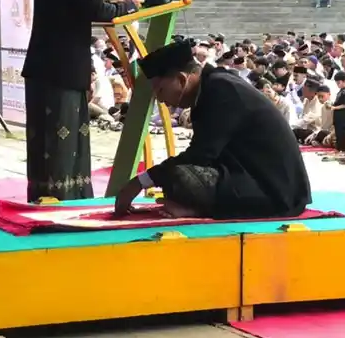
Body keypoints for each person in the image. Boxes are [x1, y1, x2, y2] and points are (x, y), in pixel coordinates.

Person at [113, 40, 311, 219]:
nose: (161, 100)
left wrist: (140, 182)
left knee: (178, 175)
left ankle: (198, 210)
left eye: (161, 90)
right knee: (173, 176)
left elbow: (201, 155)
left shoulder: (221, 90)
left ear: (182, 80)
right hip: (251, 176)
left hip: (274, 191)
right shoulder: (212, 85)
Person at [22, 0, 138, 202]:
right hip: (62, 70)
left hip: (43, 67)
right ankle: (66, 197)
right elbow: (96, 9)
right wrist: (129, 5)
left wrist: (114, 3)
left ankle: (43, 193)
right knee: (64, 139)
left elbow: (81, 6)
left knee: (44, 138)